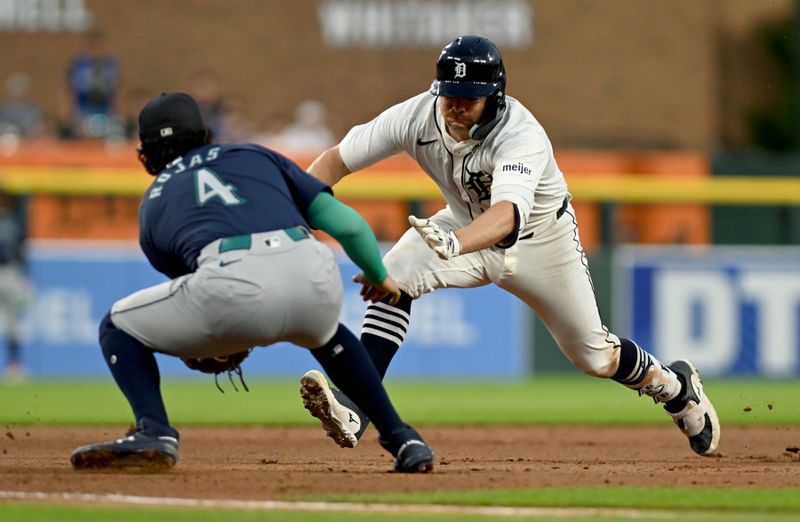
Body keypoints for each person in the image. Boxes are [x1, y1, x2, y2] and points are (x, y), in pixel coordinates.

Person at [298, 35, 721, 457]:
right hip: (461, 226)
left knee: (595, 356)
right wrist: (296, 212)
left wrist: (454, 242)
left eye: (469, 97)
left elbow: (506, 218)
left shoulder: (521, 134)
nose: (456, 105)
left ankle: (675, 387)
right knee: (396, 274)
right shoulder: (417, 115)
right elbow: (336, 160)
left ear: (495, 97)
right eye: (449, 94)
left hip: (542, 242)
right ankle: (355, 406)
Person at [69, 92, 434, 473]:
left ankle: (154, 429)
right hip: (310, 265)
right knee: (329, 335)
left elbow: (200, 292)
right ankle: (402, 437)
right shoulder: (255, 155)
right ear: (204, 133)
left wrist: (224, 340)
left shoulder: (155, 200)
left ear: (145, 151)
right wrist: (379, 276)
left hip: (231, 283)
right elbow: (350, 225)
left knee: (116, 326)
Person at [0, 193, 32, 382]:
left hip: (11, 273)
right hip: (9, 272)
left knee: (13, 324)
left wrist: (24, 275)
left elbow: (20, 251)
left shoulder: (13, 222)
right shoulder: (12, 223)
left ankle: (14, 365)